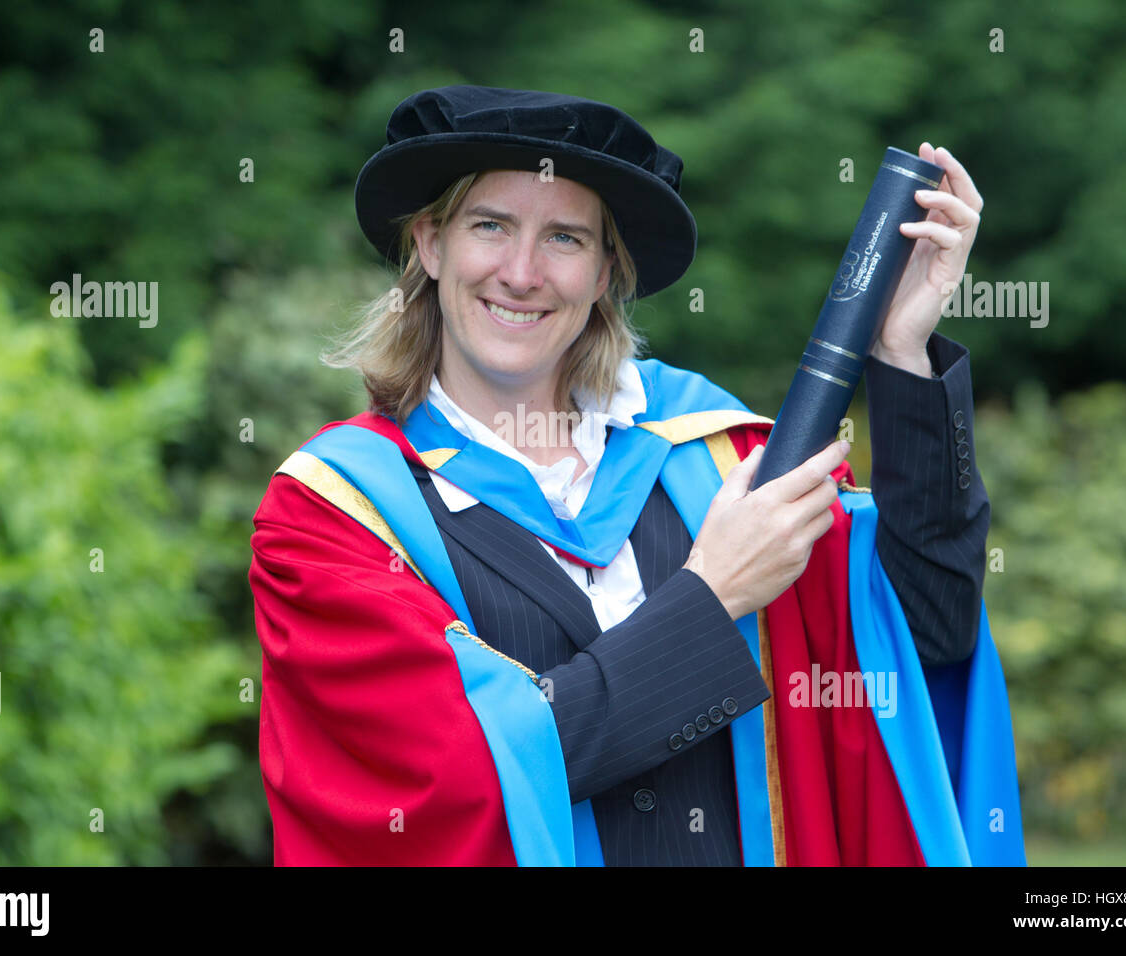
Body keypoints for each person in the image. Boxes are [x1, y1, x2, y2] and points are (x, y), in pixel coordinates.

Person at [248, 85, 1024, 866]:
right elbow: (458, 776)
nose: (521, 273)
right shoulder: (337, 512)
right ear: (429, 243)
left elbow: (924, 633)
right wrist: (713, 597)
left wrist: (900, 351)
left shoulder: (714, 456)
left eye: (565, 238)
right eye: (490, 226)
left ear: (607, 270)